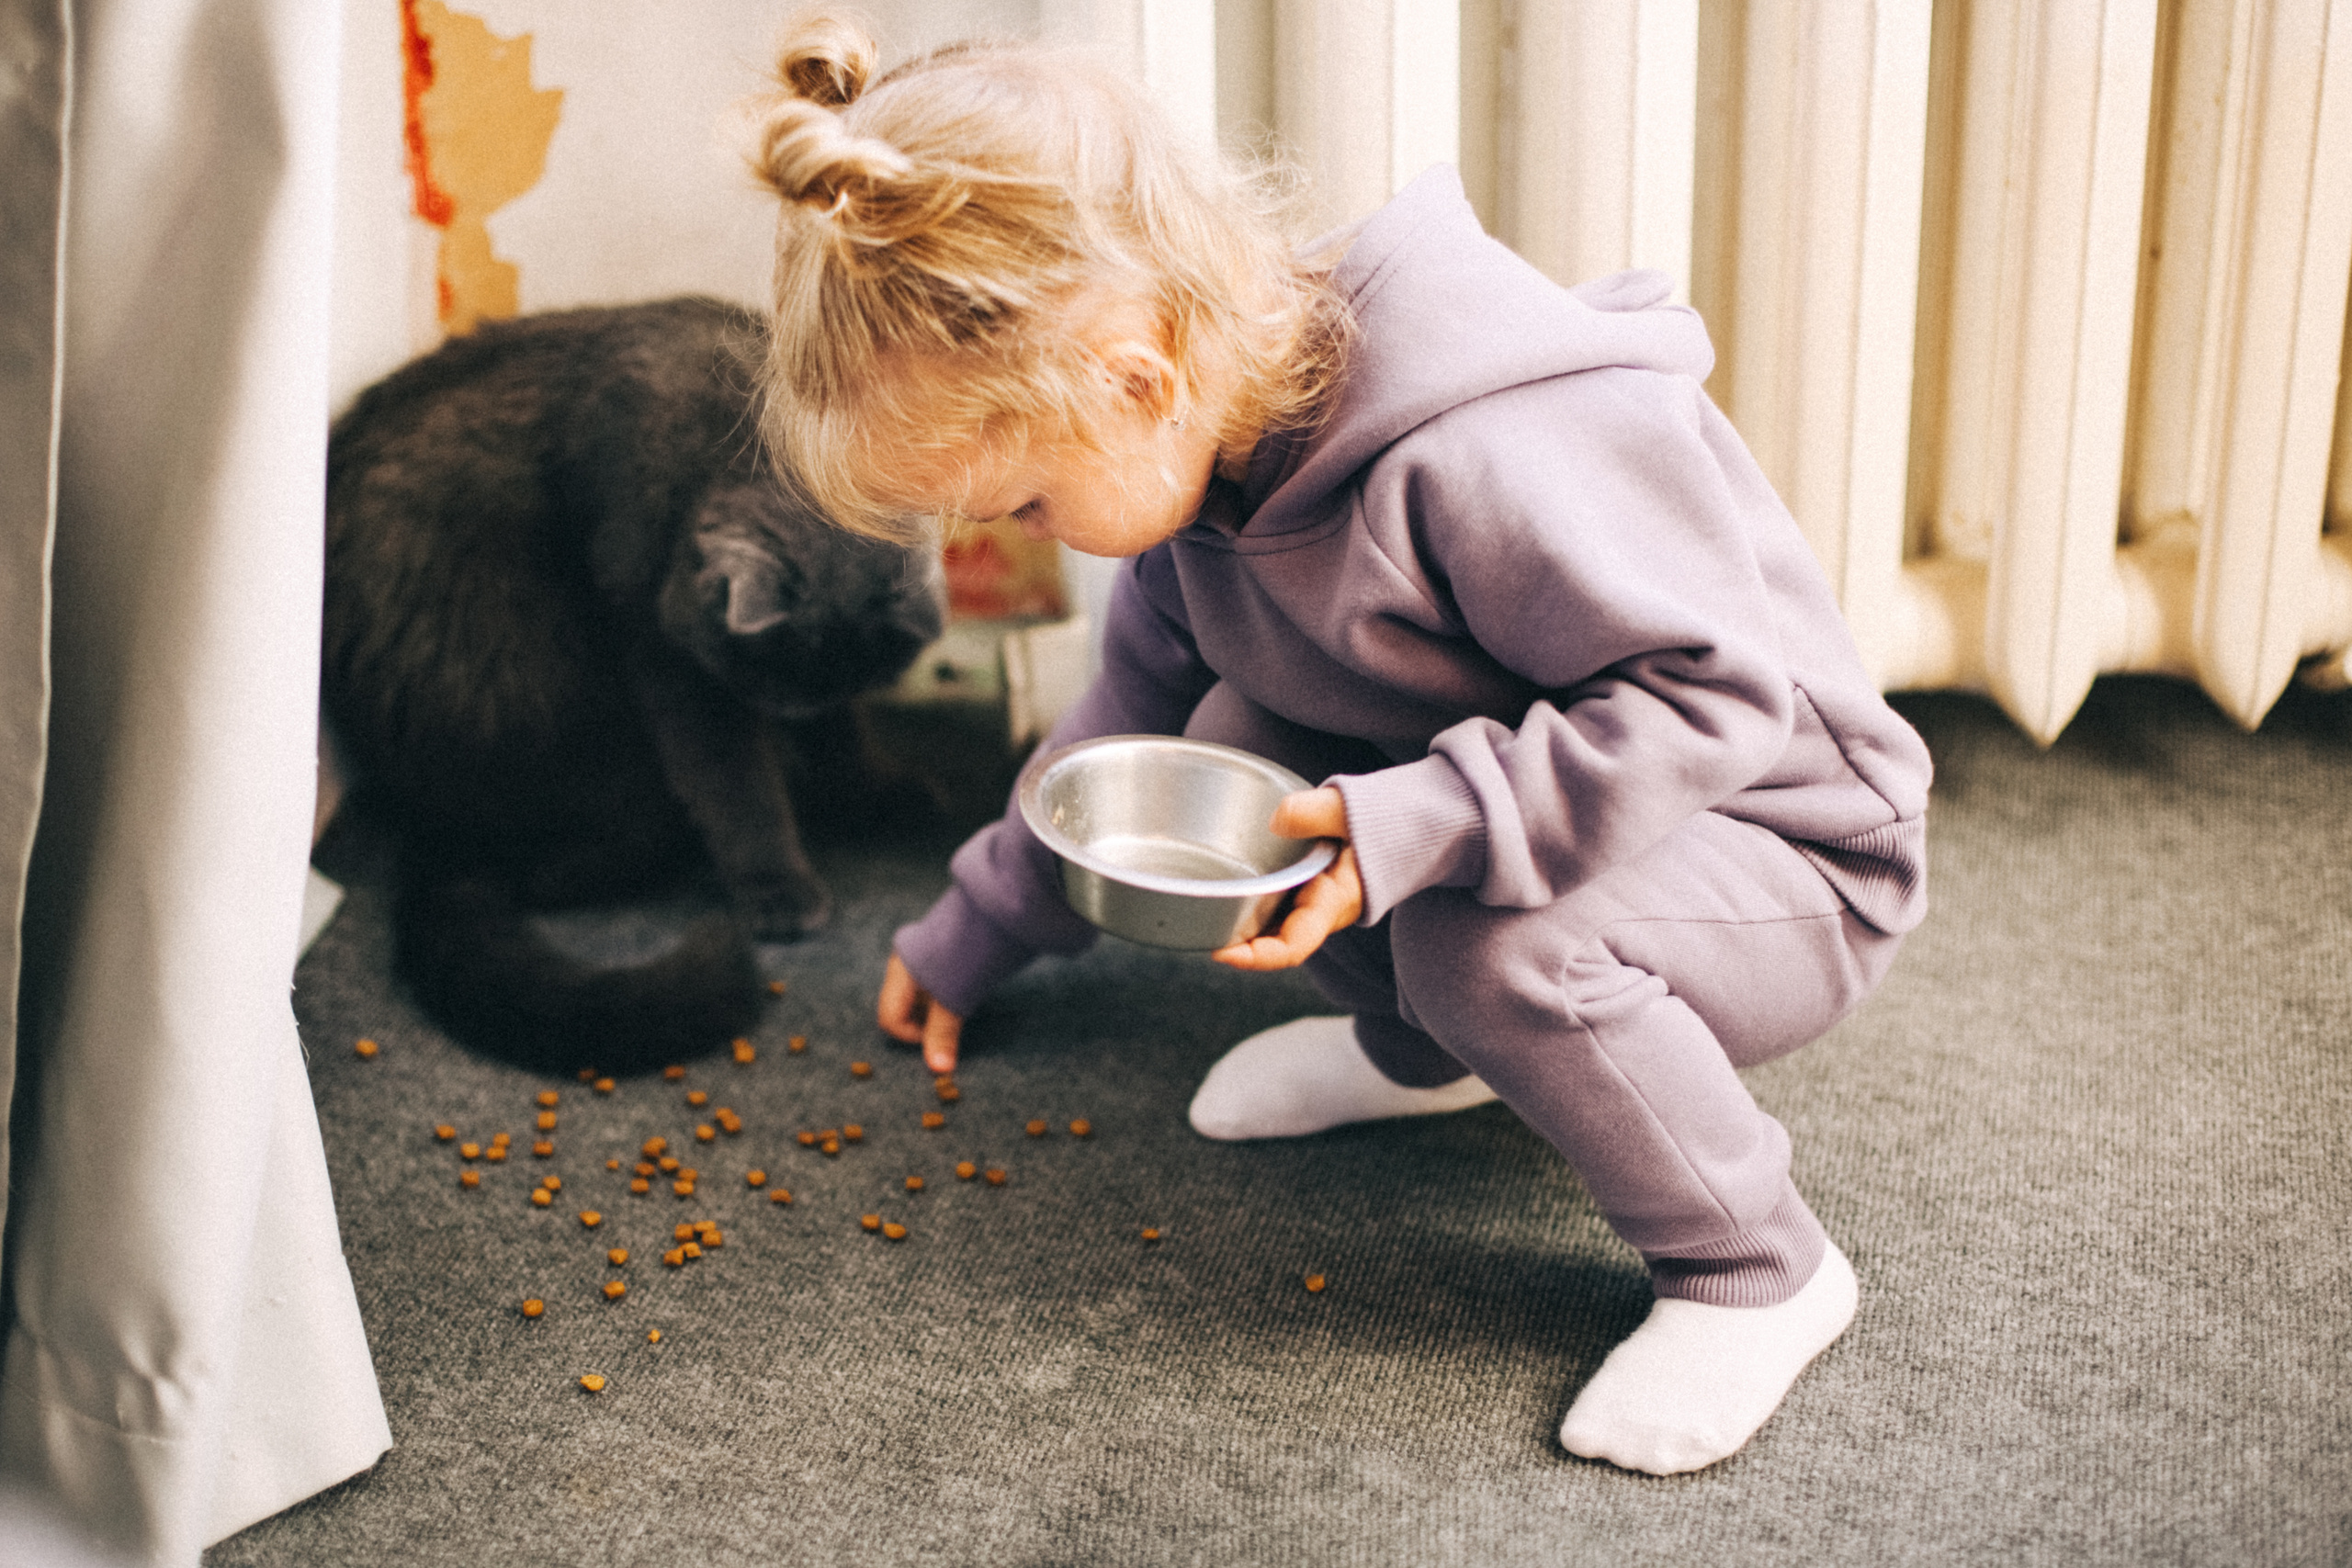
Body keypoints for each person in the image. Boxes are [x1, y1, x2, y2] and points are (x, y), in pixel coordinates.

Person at [745, 13, 1931, 1477]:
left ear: (1135, 378)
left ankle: (1755, 1265)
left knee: (1486, 949)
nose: (1015, 541)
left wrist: (1418, 828)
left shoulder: (1487, 446)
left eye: (1028, 504)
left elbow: (1710, 701)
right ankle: (1430, 1052)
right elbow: (1127, 728)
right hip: (1575, 800)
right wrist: (979, 924)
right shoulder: (1204, 469)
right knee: (1241, 747)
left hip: (1789, 854)